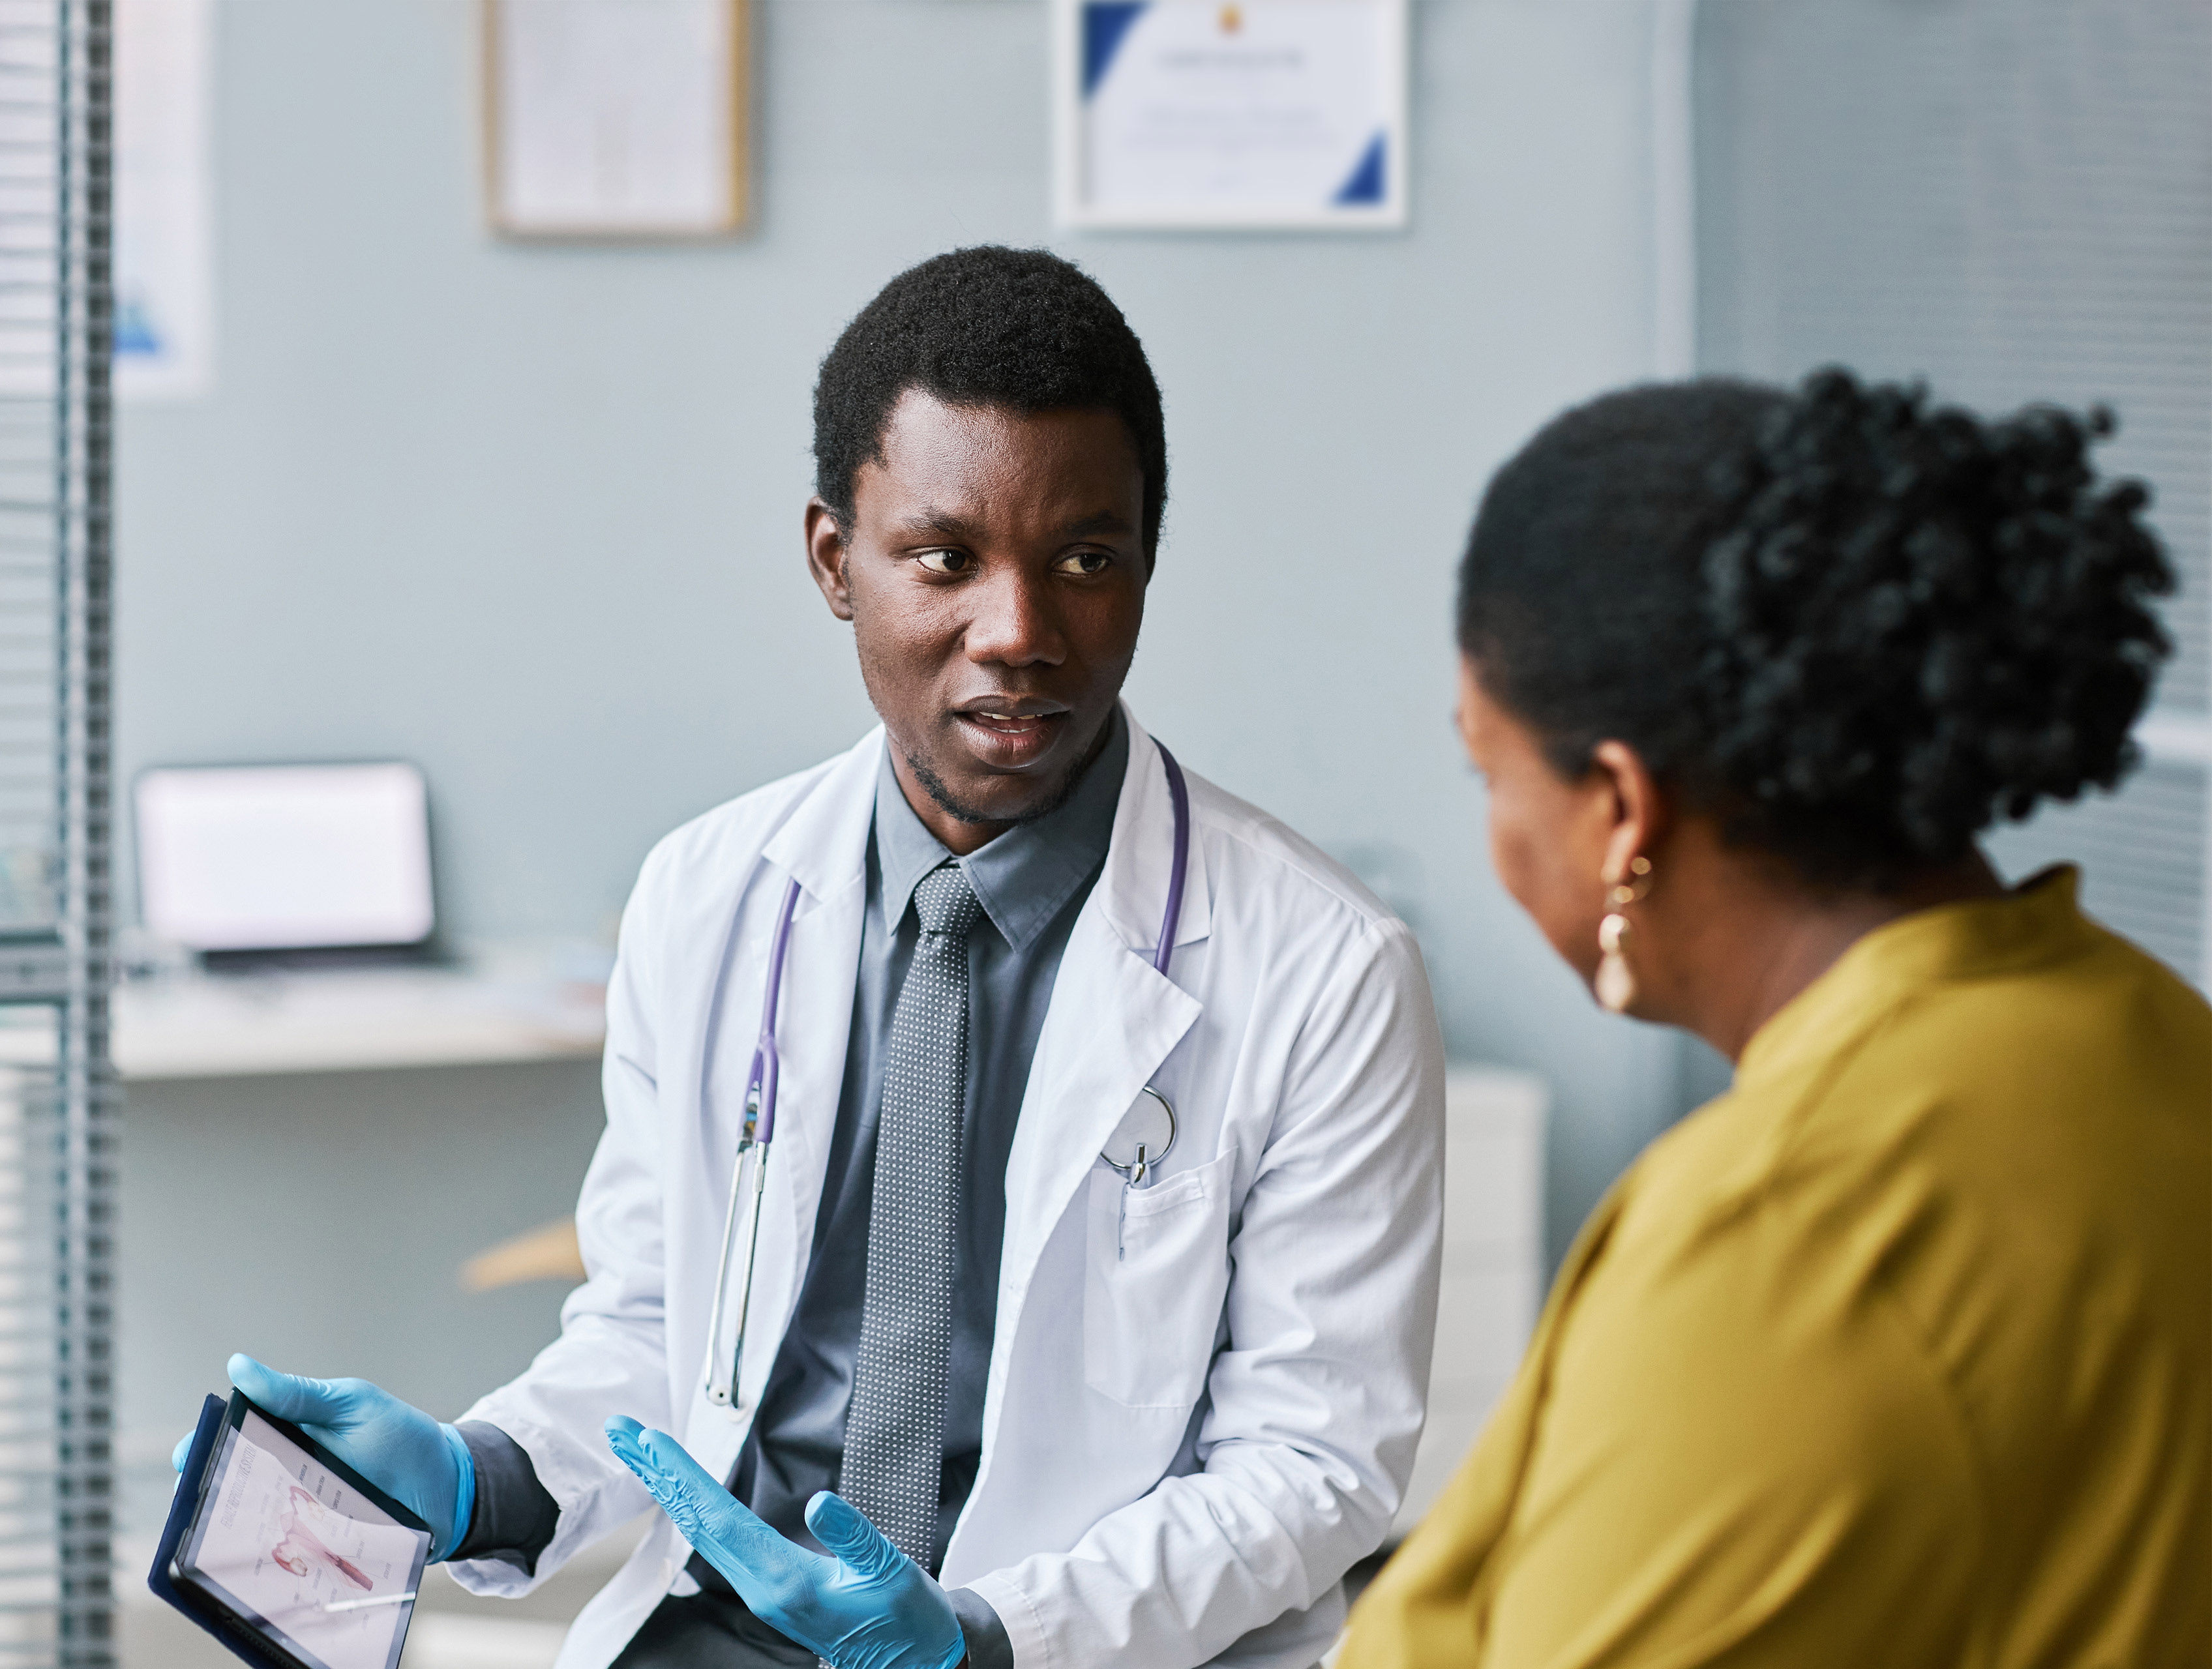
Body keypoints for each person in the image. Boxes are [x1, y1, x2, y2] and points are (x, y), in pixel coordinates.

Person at [185, 247, 1446, 1669]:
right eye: (944, 558)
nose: (1018, 631)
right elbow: (664, 1328)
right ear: (836, 561)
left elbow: (1312, 1460)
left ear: (1149, 557)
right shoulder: (710, 894)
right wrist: (484, 1477)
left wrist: (981, 1633)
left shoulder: (1325, 969)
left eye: (1085, 557)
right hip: (725, 1624)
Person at [1336, 370, 2211, 1668]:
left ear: (1621, 808)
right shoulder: (2153, 1032)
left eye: (1491, 768)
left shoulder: (1784, 1228)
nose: (1495, 833)